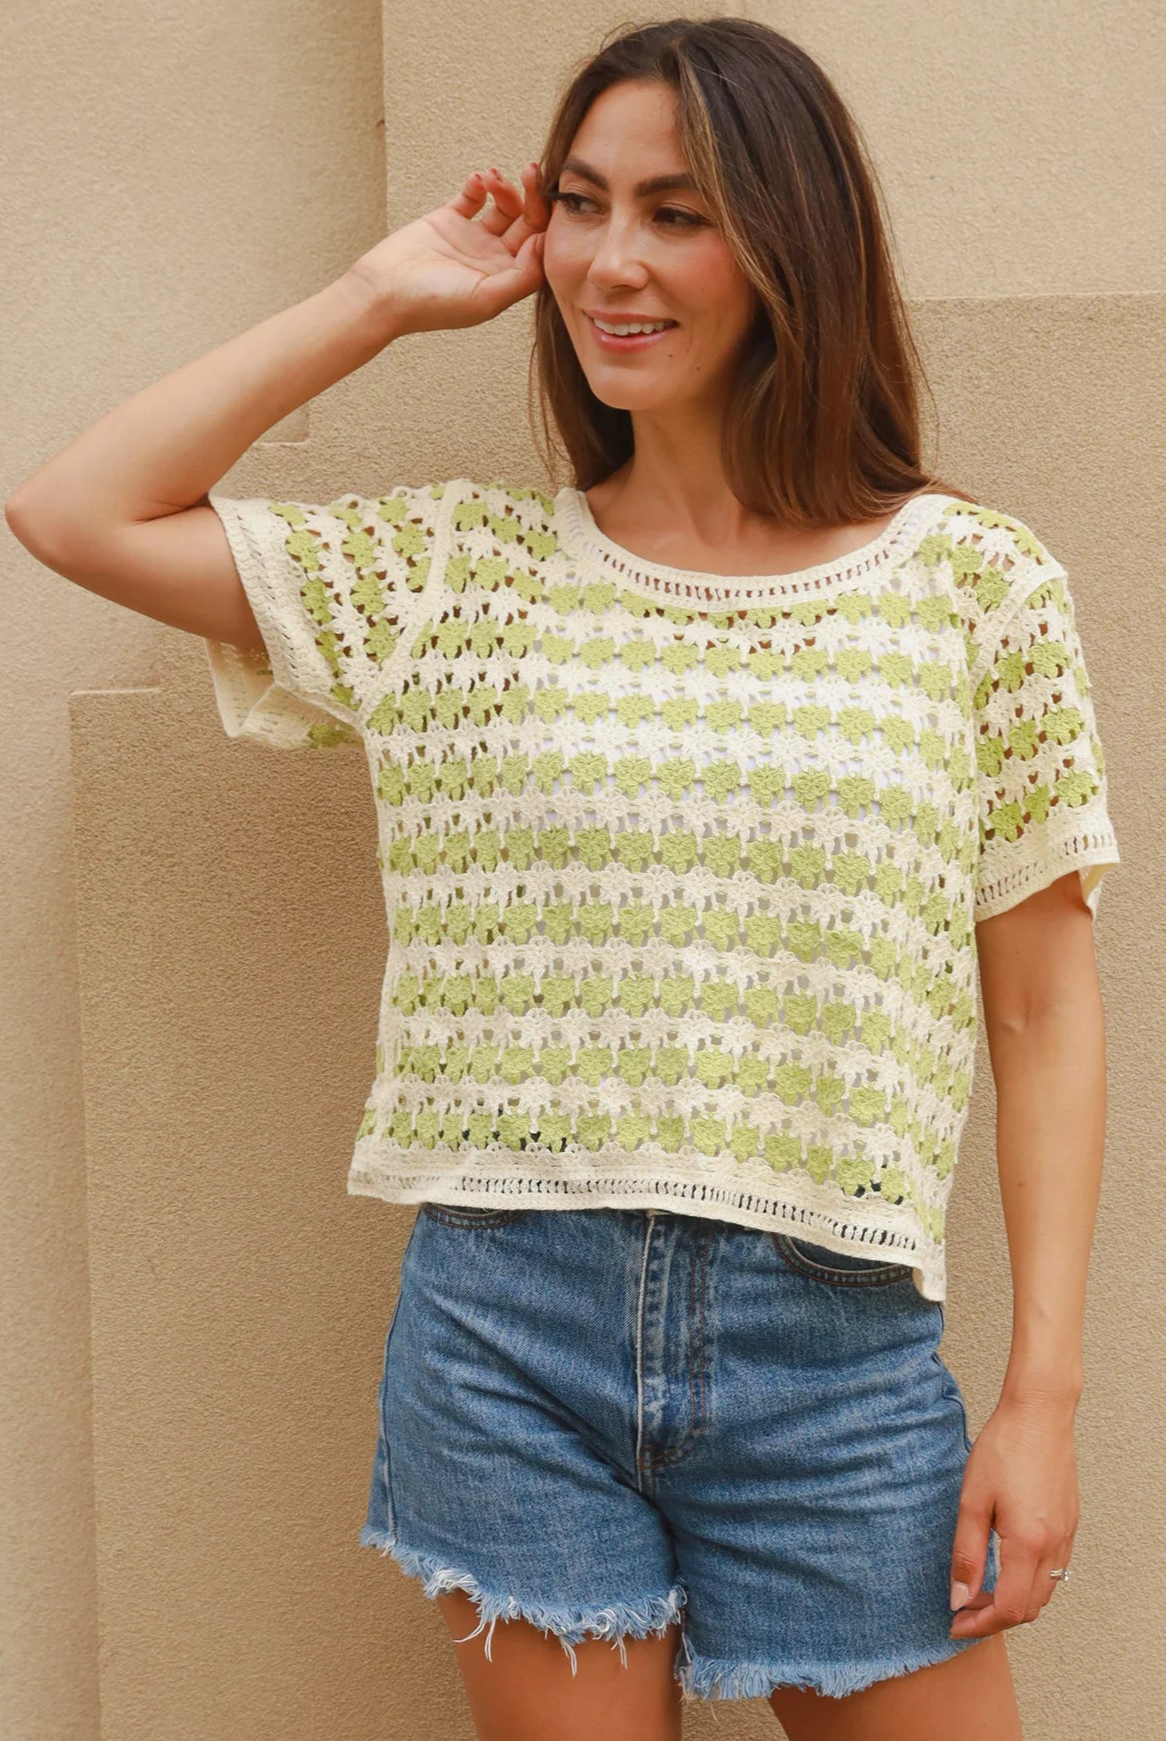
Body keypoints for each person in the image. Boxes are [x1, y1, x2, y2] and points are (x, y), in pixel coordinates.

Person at [5, 16, 1121, 1740]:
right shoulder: (458, 576)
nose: (610, 261)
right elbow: (76, 511)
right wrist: (379, 296)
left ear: (788, 242)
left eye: (678, 212)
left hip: (835, 1354)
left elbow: (1043, 1008)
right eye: (583, 205)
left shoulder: (972, 592)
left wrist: (1039, 1400)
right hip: (504, 1339)